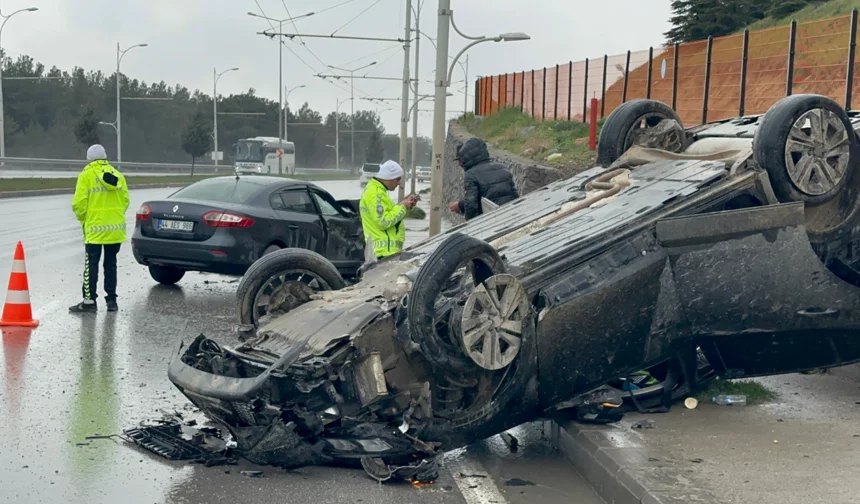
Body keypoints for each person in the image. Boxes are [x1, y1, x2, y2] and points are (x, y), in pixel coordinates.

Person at [70, 144, 129, 313]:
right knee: (111, 264)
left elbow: (79, 204)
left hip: (95, 230)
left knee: (91, 265)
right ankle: (111, 301)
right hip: (115, 230)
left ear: (89, 158)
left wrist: (84, 219)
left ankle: (89, 302)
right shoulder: (117, 175)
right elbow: (125, 201)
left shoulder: (86, 176)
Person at [360, 160, 417, 261]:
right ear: (389, 177)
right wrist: (402, 207)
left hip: (385, 253)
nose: (399, 183)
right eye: (397, 179)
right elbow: (383, 221)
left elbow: (391, 217)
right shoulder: (376, 194)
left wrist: (406, 207)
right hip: (383, 254)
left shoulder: (379, 193)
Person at [448, 137, 518, 220]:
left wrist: (471, 229)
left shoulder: (471, 175)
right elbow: (515, 198)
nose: (459, 164)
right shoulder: (503, 168)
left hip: (490, 222)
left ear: (468, 157)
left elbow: (471, 207)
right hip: (510, 217)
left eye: (461, 160)